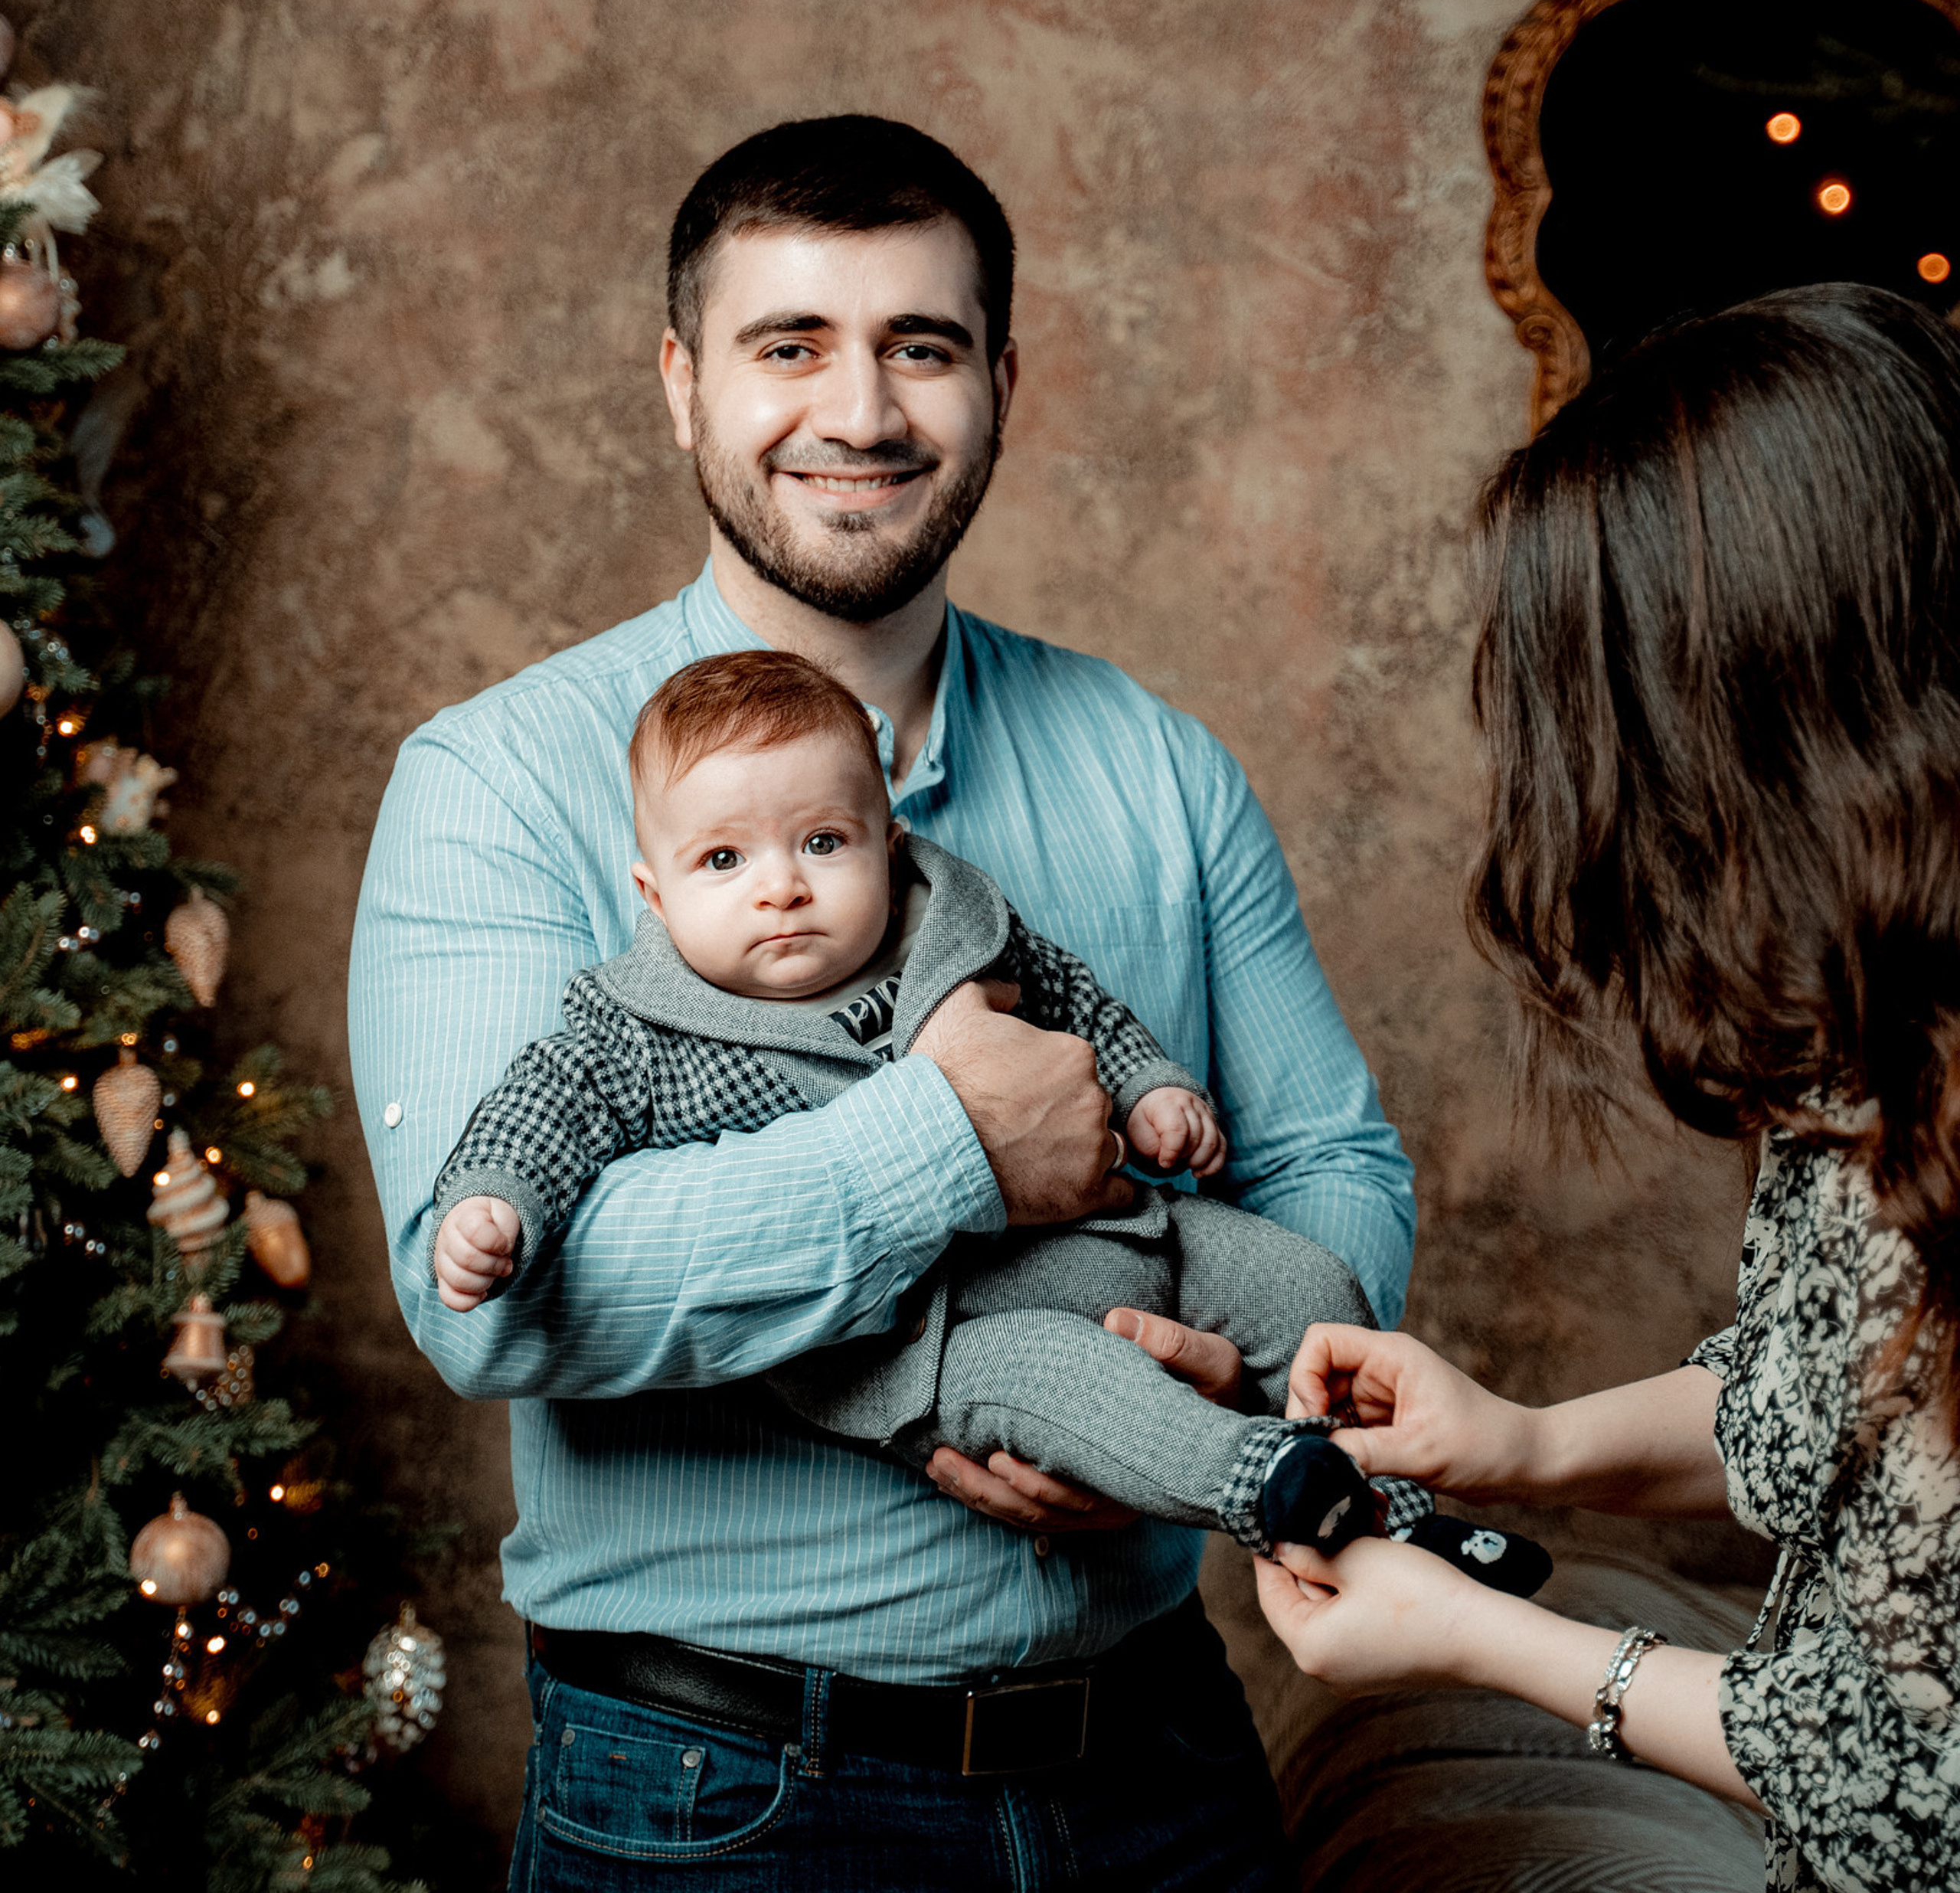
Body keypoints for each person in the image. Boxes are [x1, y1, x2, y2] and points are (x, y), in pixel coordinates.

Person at [350, 114, 1415, 1888]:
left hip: (1155, 1766)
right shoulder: (497, 782)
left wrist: (1203, 1379)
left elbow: (1332, 1162)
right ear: (680, 384)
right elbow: (490, 1309)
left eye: (918, 346)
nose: (859, 413)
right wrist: (946, 1146)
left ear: (999, 380)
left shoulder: (1154, 765)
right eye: (789, 347)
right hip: (717, 1796)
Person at [1254, 283, 1960, 1893]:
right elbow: (1820, 1389)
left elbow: (1902, 1779)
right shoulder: (1876, 1036)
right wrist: (1515, 1440)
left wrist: (1489, 1638)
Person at [426, 649, 1540, 1587]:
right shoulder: (641, 1031)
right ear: (655, 896)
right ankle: (1274, 1489)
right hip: (946, 1342)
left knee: (1312, 1289)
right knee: (1082, 1393)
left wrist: (1151, 1087)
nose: (782, 887)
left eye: (823, 843)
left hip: (1131, 1239)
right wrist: (495, 1200)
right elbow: (546, 1111)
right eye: (724, 860)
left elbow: (1080, 1003)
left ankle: (1406, 1514)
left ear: (887, 840)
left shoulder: (956, 929)